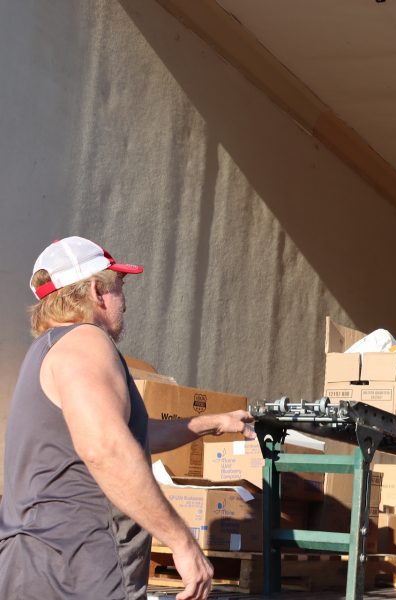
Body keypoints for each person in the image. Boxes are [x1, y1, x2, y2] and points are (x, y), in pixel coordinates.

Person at [0, 236, 258, 600]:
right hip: (78, 571)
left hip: (34, 566)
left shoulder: (48, 351)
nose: (125, 300)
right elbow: (106, 448)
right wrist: (182, 543)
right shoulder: (86, 341)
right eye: (120, 285)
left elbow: (130, 435)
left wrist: (213, 423)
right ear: (96, 290)